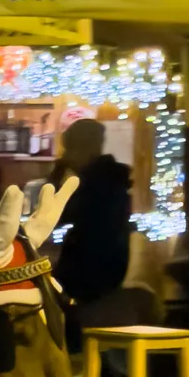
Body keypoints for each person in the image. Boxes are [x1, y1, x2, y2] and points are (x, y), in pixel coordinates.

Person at [49, 117, 132, 319]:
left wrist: (56, 178)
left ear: (85, 149)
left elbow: (58, 214)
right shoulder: (108, 179)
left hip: (92, 275)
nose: (66, 156)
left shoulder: (97, 185)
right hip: (102, 271)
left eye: (69, 150)